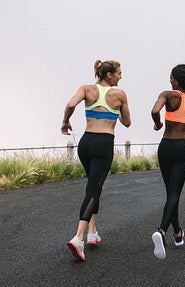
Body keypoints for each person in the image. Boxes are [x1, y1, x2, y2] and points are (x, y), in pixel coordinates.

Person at [61, 60, 131, 261]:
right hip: (103, 144)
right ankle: (78, 238)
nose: (120, 76)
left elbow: (70, 104)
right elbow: (127, 122)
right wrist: (115, 112)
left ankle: (92, 232)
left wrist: (65, 122)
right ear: (109, 75)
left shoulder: (86, 89)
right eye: (119, 73)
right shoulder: (120, 94)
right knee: (94, 189)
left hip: (86, 143)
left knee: (93, 186)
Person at [150, 64, 185, 259]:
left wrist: (158, 124)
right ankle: (162, 231)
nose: (170, 81)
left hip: (165, 146)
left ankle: (177, 234)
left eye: (171, 78)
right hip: (182, 147)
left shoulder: (167, 95)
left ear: (177, 80)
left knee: (170, 193)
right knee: (174, 193)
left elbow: (154, 111)